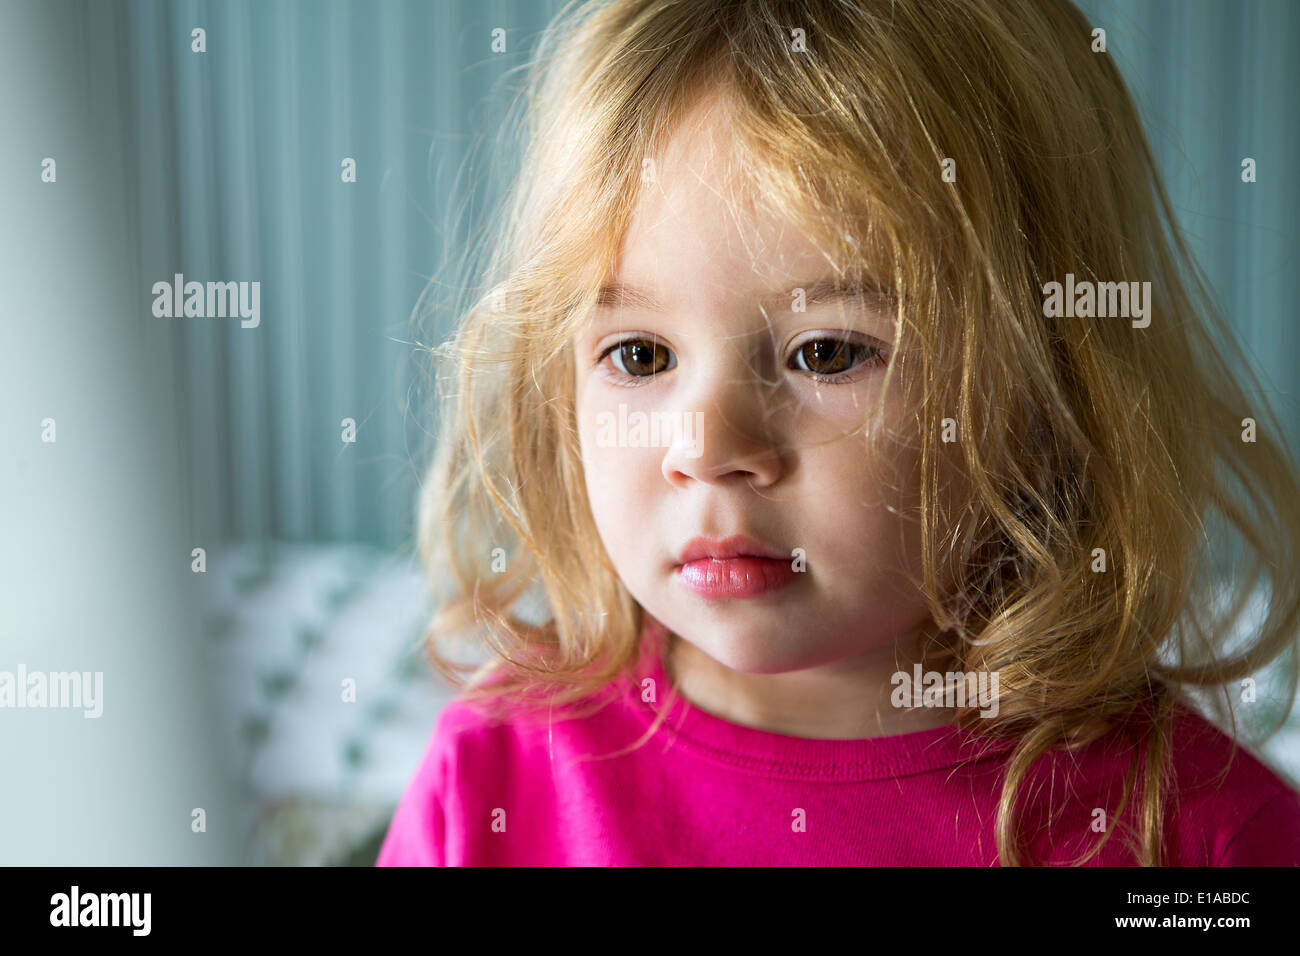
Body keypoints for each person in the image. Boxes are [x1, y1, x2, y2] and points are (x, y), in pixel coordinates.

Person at [377, 0, 1300, 865]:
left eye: (826, 353)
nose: (706, 447)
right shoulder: (489, 784)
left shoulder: (1190, 836)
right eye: (642, 356)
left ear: (1047, 388)